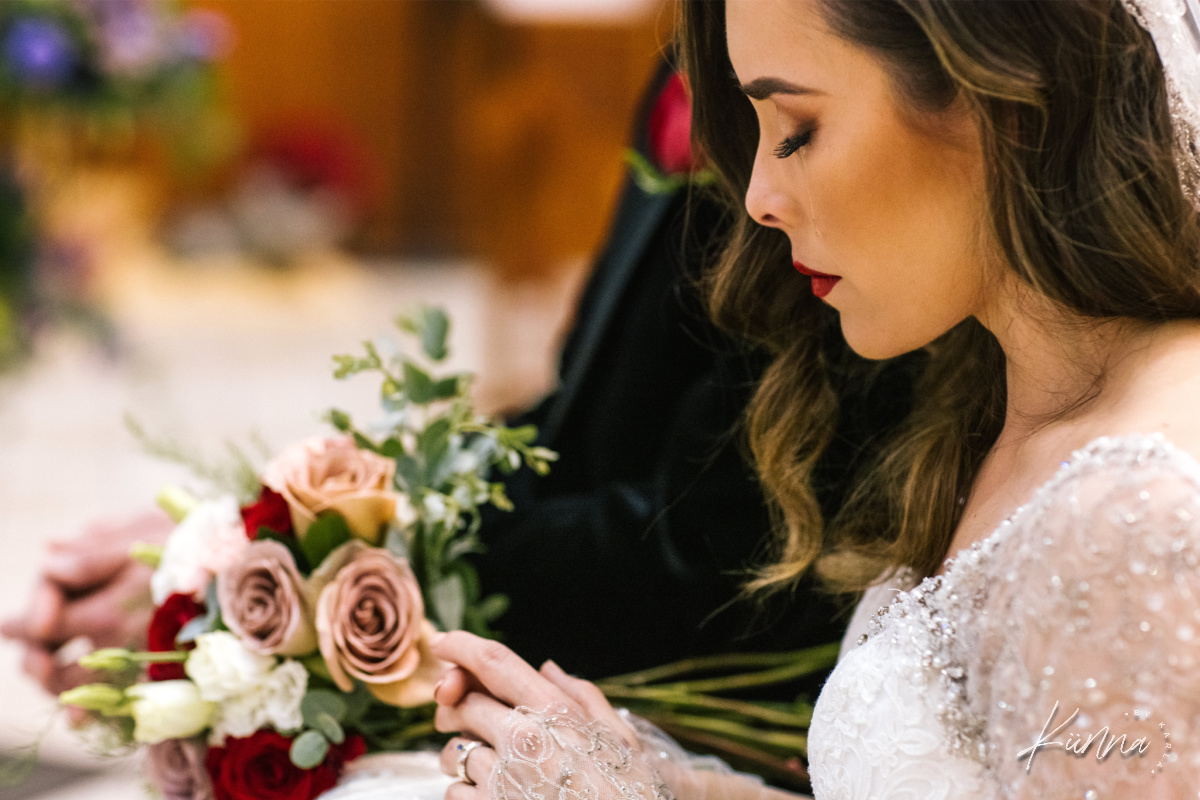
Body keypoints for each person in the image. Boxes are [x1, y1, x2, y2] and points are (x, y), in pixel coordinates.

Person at [427, 1, 1200, 797]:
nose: (757, 198)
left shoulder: (1134, 523)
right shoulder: (985, 414)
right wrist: (653, 777)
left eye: (797, 130)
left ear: (1003, 102)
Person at [1, 61, 915, 702]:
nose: (760, 196)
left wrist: (283, 585)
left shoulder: (825, 94)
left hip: (730, 698)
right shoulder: (698, 56)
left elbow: (708, 559)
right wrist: (265, 530)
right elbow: (583, 429)